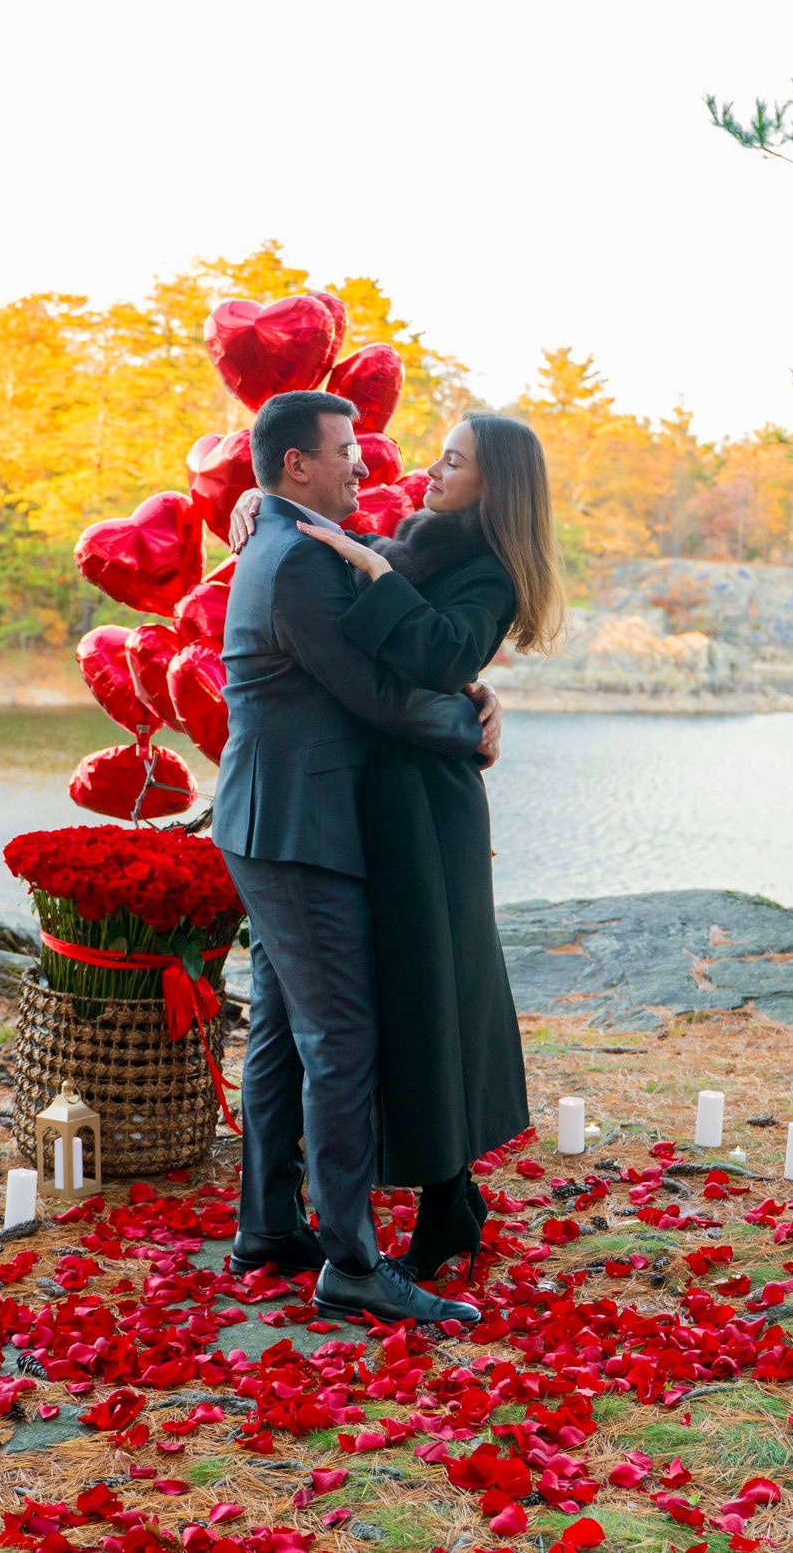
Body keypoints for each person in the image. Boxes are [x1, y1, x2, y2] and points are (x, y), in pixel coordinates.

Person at [235, 414, 562, 1284]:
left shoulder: (487, 567)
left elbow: (428, 653)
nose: (427, 469)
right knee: (347, 1010)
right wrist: (258, 499)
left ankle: (442, 1196)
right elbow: (318, 534)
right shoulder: (411, 538)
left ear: (494, 486)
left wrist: (468, 714)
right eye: (439, 455)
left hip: (423, 803)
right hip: (363, 801)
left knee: (427, 992)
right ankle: (383, 1212)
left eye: (451, 462)